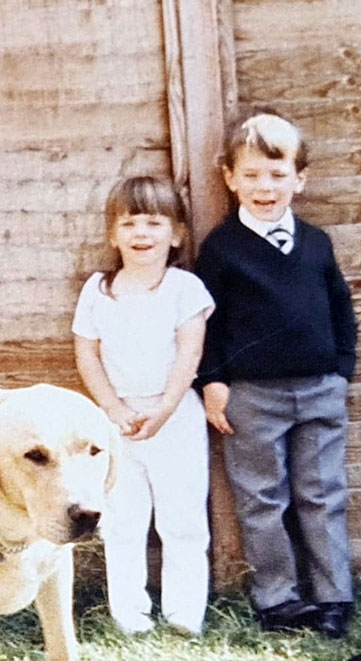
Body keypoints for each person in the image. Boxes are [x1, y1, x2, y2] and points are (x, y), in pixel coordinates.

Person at [194, 110, 358, 637]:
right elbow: (206, 323)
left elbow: (340, 308)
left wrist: (341, 370)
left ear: (299, 178)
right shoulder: (221, 250)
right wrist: (212, 382)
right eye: (252, 175)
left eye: (277, 174)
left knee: (322, 493)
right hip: (251, 397)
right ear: (230, 178)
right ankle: (278, 600)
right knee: (262, 499)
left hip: (319, 390)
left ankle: (333, 597)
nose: (265, 187)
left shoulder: (316, 243)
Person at [72, 176, 215, 636]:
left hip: (174, 417)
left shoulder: (184, 288)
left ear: (175, 234)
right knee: (122, 520)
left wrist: (166, 408)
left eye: (154, 223)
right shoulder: (98, 289)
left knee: (183, 519)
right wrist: (111, 409)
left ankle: (184, 613)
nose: (141, 234)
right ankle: (130, 613)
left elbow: (190, 353)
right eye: (129, 223)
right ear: (113, 235)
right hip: (118, 422)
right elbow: (87, 353)